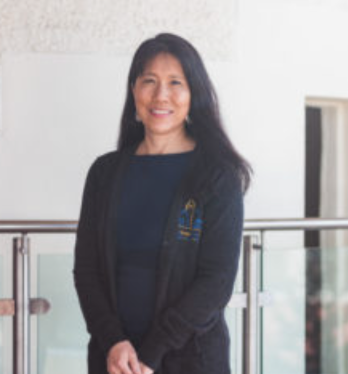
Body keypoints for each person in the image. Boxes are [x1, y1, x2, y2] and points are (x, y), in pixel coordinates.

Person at [73, 33, 252, 374]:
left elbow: (216, 282)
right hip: (114, 361)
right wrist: (113, 342)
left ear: (193, 94)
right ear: (133, 90)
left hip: (190, 360)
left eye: (175, 83)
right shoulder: (104, 173)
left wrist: (149, 355)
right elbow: (87, 271)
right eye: (149, 81)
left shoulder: (217, 176)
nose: (161, 96)